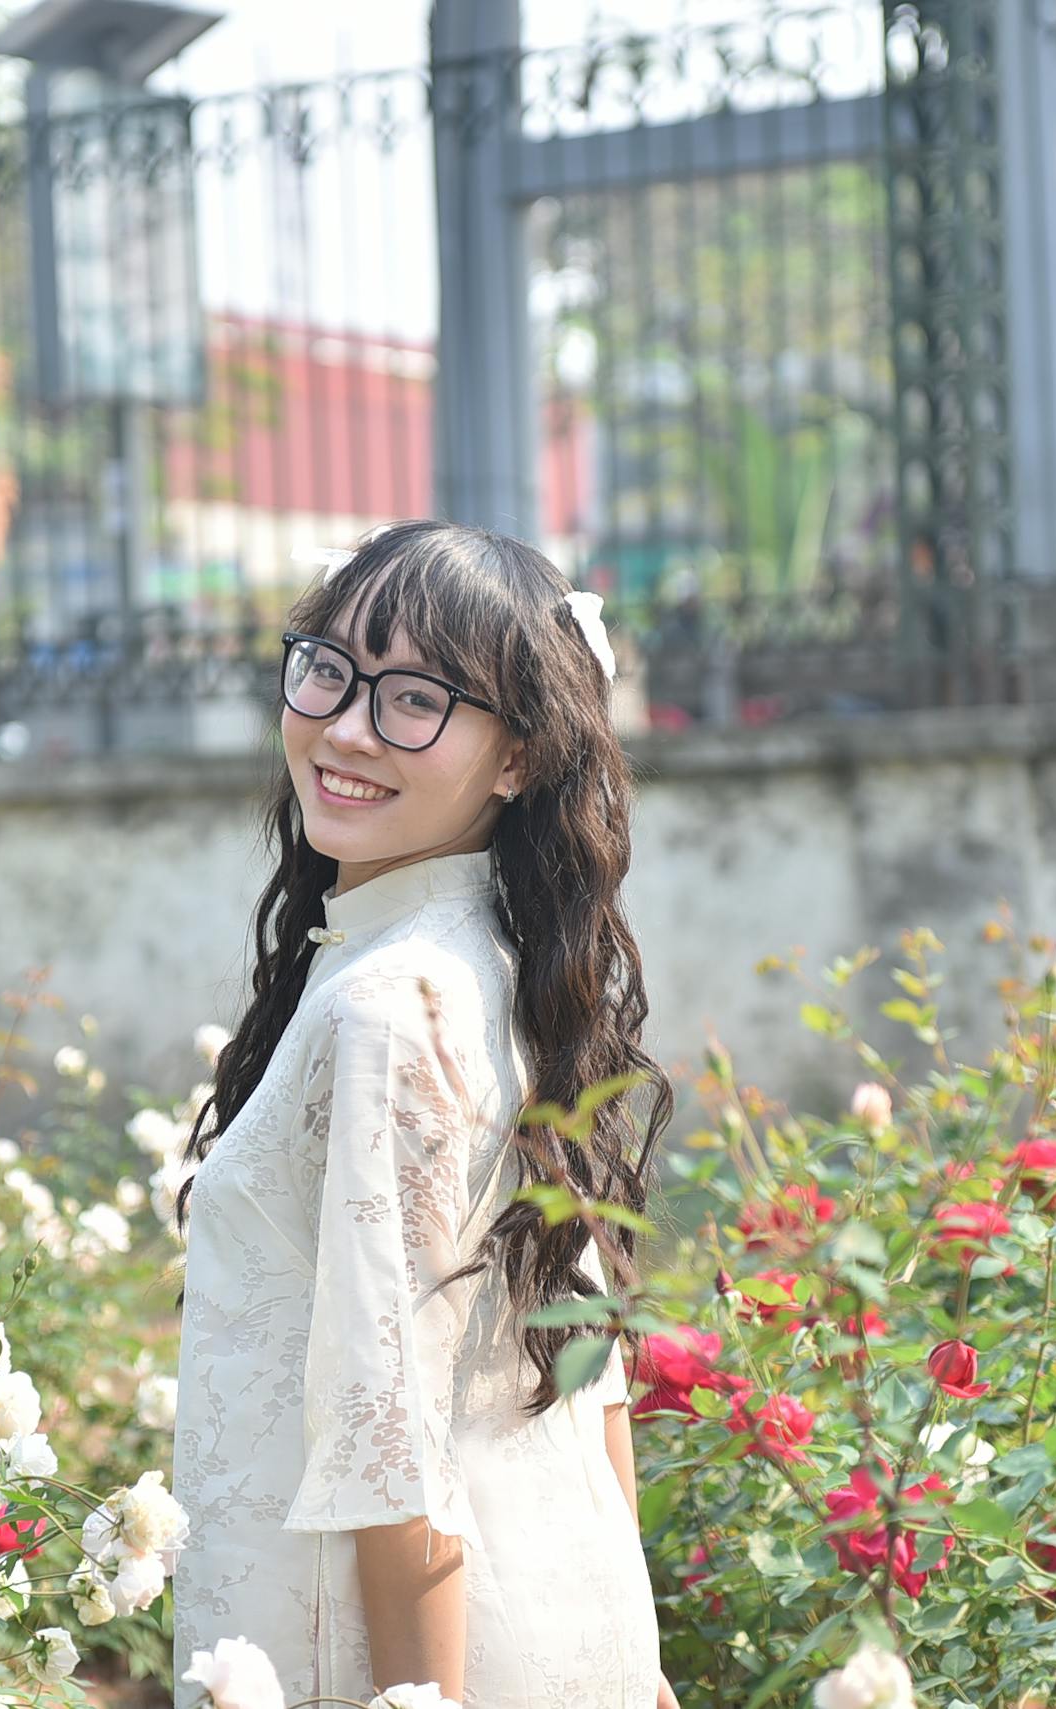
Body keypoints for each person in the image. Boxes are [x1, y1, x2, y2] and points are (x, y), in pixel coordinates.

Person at [171, 520, 677, 1708]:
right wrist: (643, 1663)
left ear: (518, 757)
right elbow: (586, 1351)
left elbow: (386, 1438)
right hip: (555, 1624)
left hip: (409, 1667)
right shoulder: (488, 963)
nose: (347, 727)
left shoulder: (393, 1007)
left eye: (415, 699)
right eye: (329, 669)